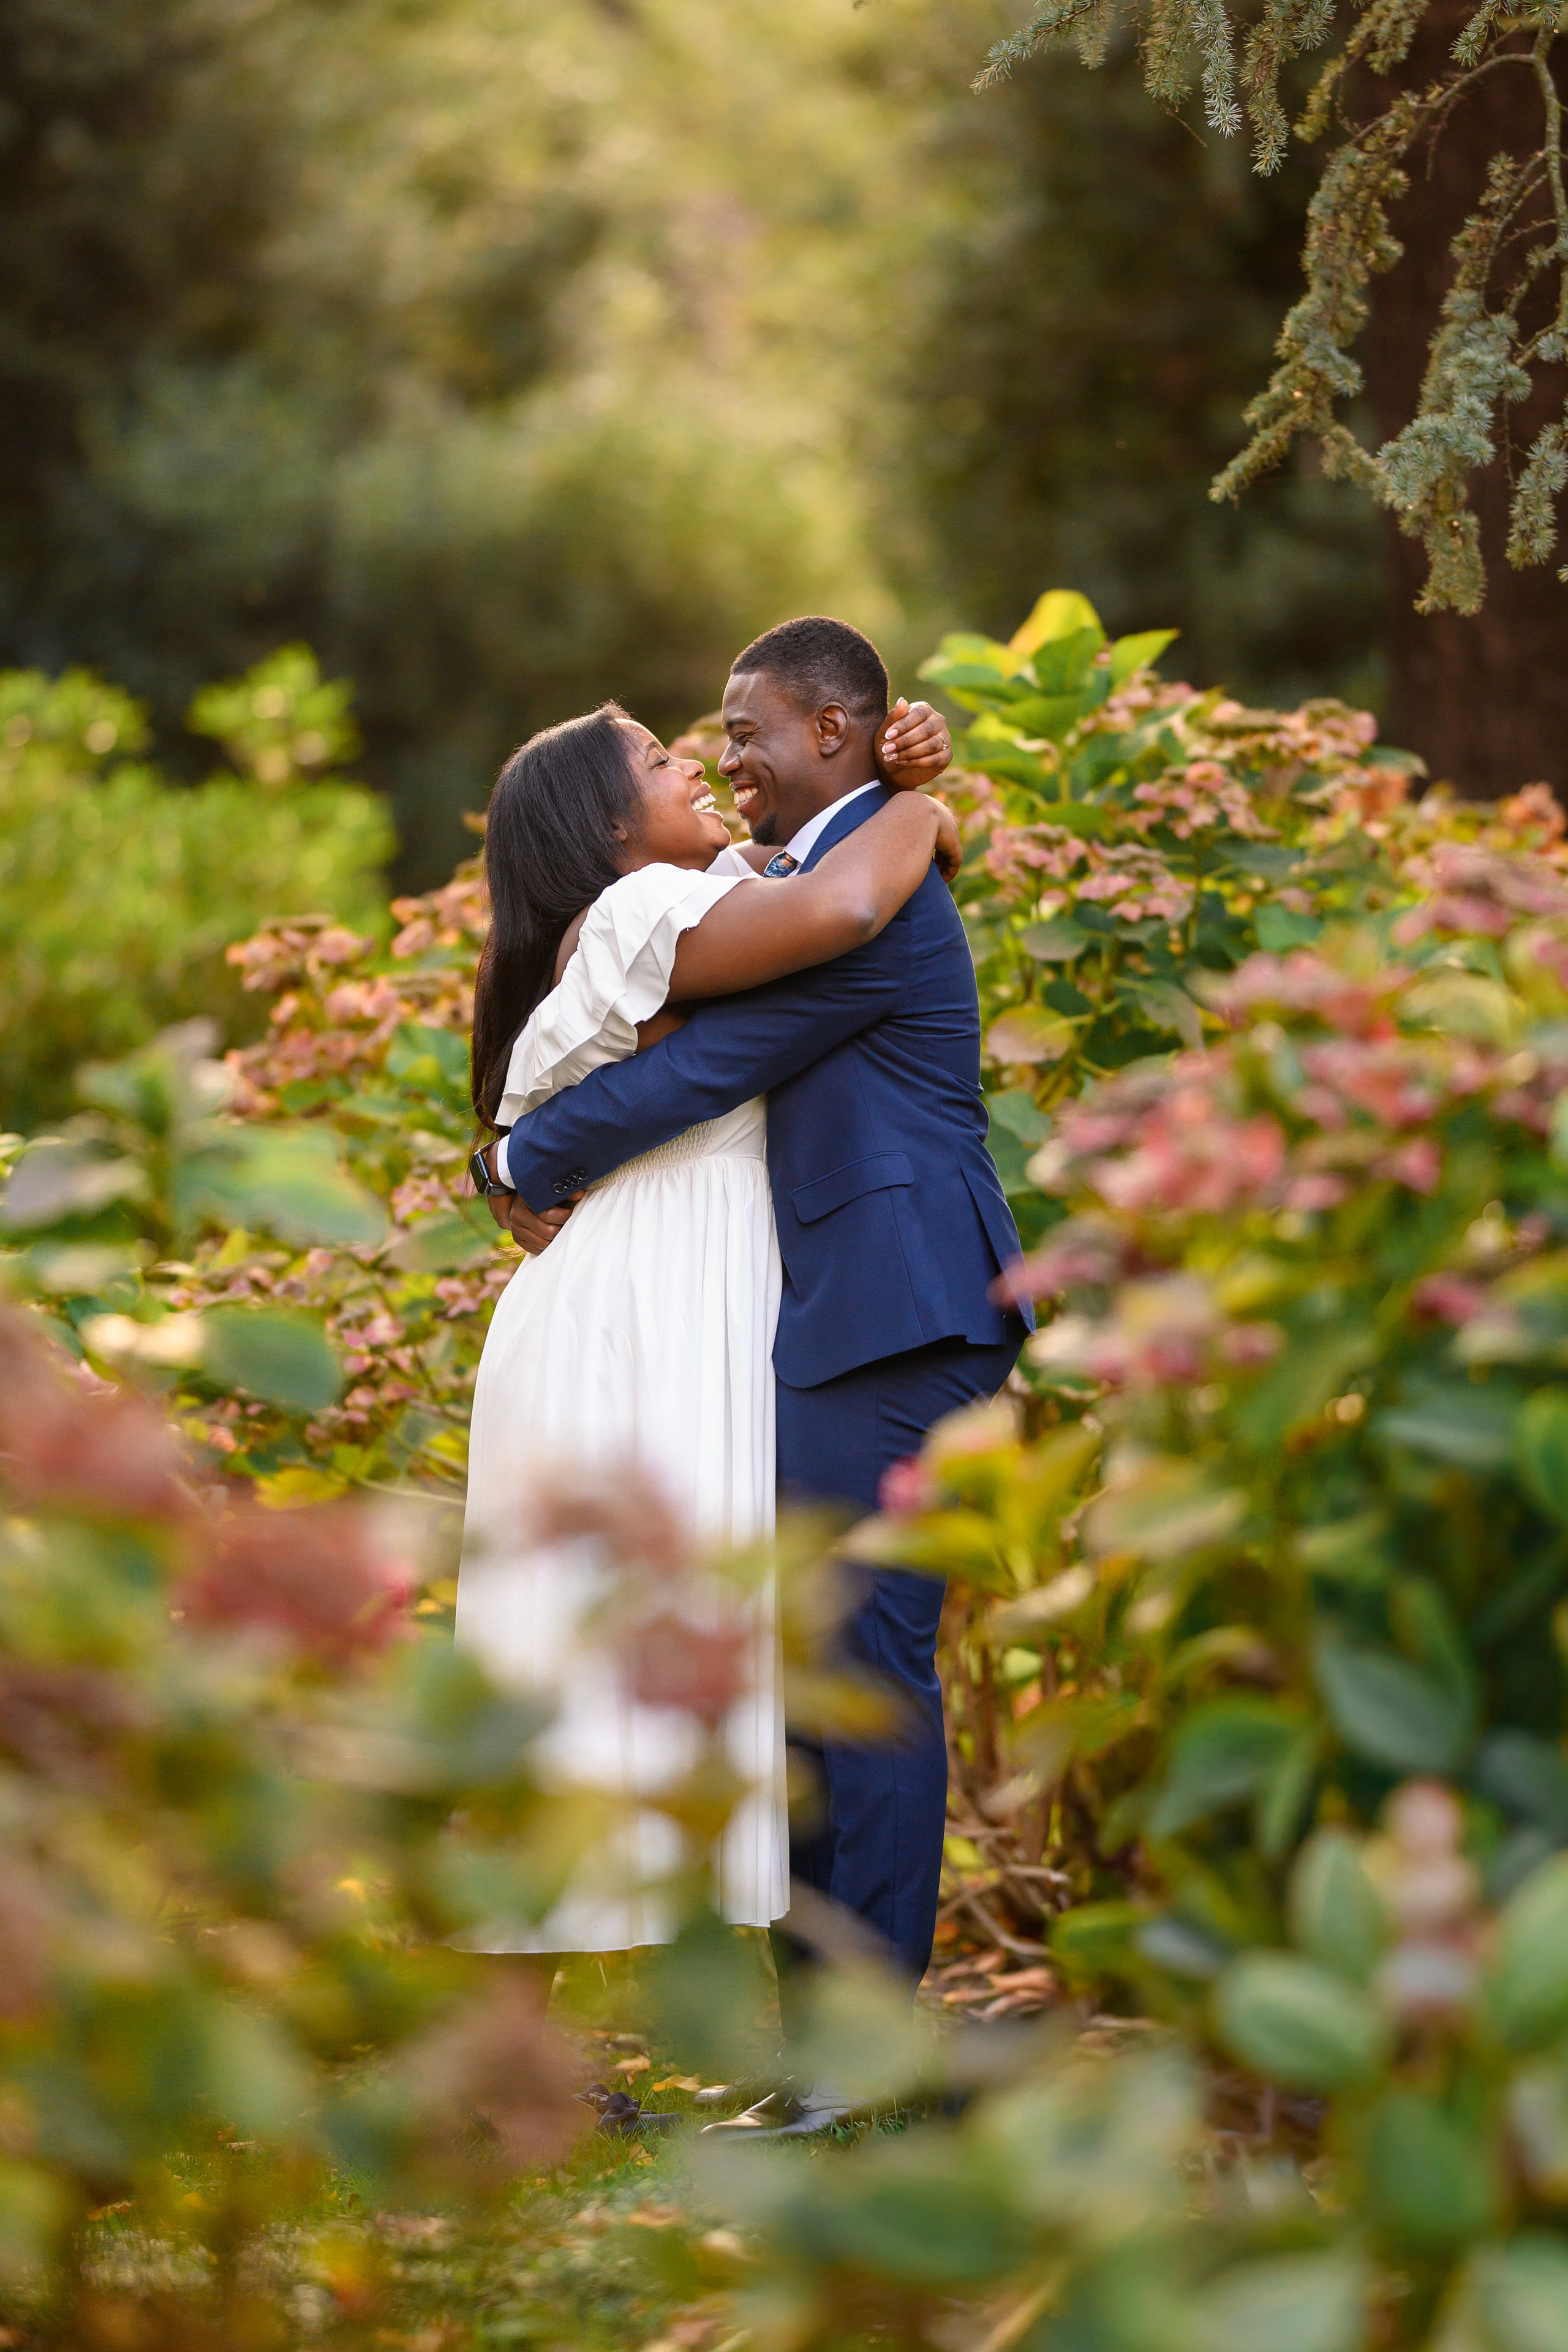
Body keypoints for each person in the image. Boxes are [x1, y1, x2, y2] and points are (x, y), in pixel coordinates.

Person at [486, 617, 1032, 2139]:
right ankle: (822, 2061)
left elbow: (705, 1066)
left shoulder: (875, 883)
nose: (725, 757)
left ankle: (865, 2067)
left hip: (901, 1315)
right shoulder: (801, 882)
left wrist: (521, 1151)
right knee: (812, 1687)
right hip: (837, 1322)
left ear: (838, 734)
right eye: (703, 741)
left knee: (862, 1676)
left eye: (747, 733)